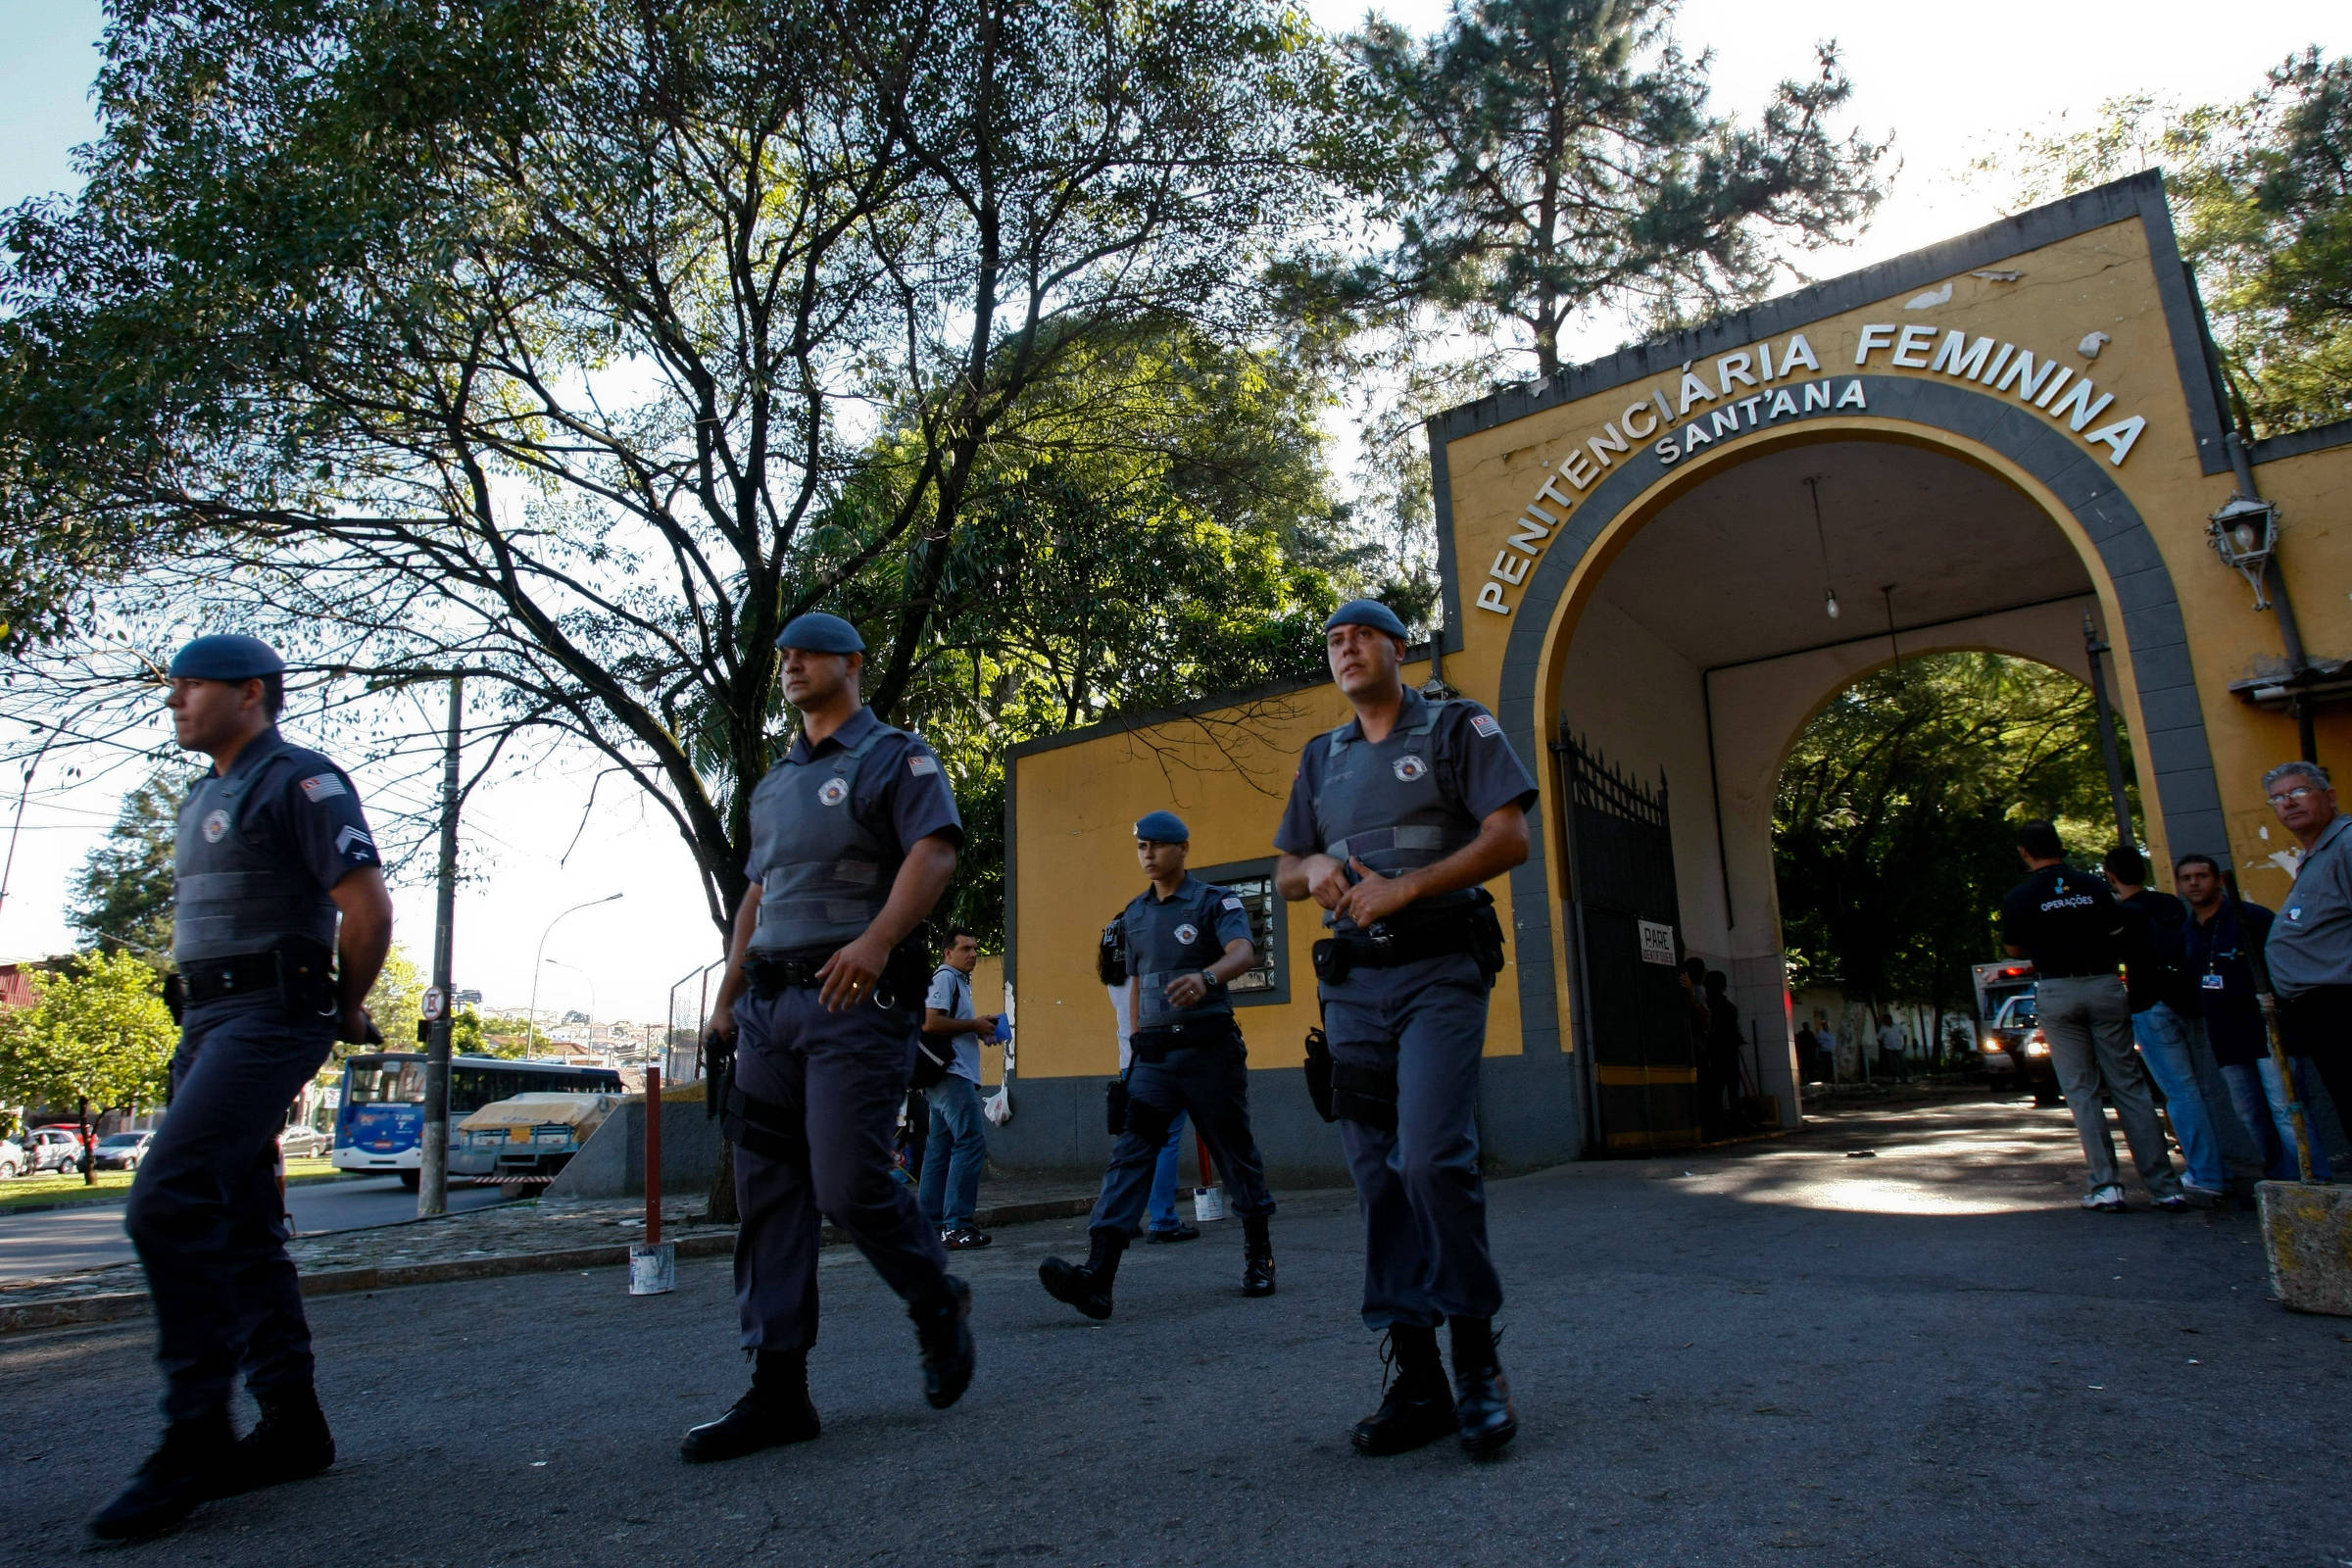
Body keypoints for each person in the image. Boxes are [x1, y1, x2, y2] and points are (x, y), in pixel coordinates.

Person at [93, 636, 394, 1541]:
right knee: (240, 1222)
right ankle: (293, 1426)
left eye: (192, 685)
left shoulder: (298, 780)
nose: (176, 700)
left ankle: (193, 1436)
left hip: (273, 1012)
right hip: (205, 1020)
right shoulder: (204, 794)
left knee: (166, 1202)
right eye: (175, 686)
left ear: (252, 694)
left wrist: (343, 1010)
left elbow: (368, 909)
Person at [687, 612, 975, 1464]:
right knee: (767, 1191)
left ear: (853, 663)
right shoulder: (773, 783)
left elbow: (935, 851)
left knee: (848, 1184)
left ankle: (935, 1299)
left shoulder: (896, 755)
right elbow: (756, 896)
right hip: (769, 1010)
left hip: (855, 998)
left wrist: (880, 939)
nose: (791, 665)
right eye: (783, 655)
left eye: (809, 652)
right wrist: (727, 995)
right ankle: (779, 1390)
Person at [1274, 599, 1539, 1459]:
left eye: (1362, 636)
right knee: (1374, 1176)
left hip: (1439, 971)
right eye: (1335, 641)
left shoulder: (1458, 727)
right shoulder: (1323, 756)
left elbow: (1510, 840)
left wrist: (1407, 888)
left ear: (1397, 646)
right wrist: (1311, 864)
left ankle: (1475, 1360)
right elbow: (1284, 870)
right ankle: (1418, 1373)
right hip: (1354, 987)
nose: (1346, 649)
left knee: (1429, 1157)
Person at [1039, 811, 1276, 1318]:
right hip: (1154, 1059)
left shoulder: (1216, 902)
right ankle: (1097, 1277)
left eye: (1157, 846)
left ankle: (1260, 1255)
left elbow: (1244, 951)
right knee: (1130, 1154)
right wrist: (1133, 1049)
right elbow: (1136, 988)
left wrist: (1208, 978)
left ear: (1183, 849)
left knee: (1235, 1151)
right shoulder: (1134, 915)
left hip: (1209, 1051)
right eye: (1141, 846)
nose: (1148, 855)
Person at [2000, 819, 2186, 1212]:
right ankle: (2164, 1186)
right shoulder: (2095, 886)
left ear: (2024, 853)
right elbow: (2118, 930)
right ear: (2061, 846)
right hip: (2104, 985)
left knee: (2081, 1091)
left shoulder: (2020, 897)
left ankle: (2106, 1186)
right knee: (2129, 1086)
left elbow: (2015, 949)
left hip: (2058, 989)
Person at [2176, 854, 2331, 1180]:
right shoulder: (2188, 931)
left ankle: (2314, 1181)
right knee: (2250, 1114)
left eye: (2201, 875)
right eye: (2187, 877)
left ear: (2218, 880)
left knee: (2287, 1109)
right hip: (2227, 1038)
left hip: (2272, 1031)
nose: (2194, 883)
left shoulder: (2252, 919)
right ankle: (2280, 1181)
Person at [2103, 845, 2226, 1200]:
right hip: (2190, 1000)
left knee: (2181, 1091)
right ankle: (2225, 1165)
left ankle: (2207, 1173)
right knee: (2207, 1087)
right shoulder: (2172, 904)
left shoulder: (2122, 914)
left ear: (2112, 876)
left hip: (2150, 1004)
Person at [2263, 762, 2352, 1147]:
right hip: (2321, 1011)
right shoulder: (2317, 853)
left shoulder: (2346, 845)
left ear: (2329, 797)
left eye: (2299, 792)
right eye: (2279, 798)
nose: (2288, 803)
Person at [920, 927, 1001, 1249]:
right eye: (965, 948)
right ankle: (957, 1225)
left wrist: (979, 1028)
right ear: (948, 952)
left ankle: (931, 1227)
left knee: (939, 1151)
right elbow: (931, 1022)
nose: (973, 954)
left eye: (976, 949)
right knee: (970, 1143)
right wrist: (973, 1025)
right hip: (952, 1075)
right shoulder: (946, 978)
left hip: (945, 1076)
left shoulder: (957, 982)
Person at [1106, 978, 1200, 1243]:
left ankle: (1125, 1217)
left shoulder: (1114, 963)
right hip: (1157, 1059)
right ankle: (1163, 1219)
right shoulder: (1147, 966)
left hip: (1129, 1061)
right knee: (1166, 1141)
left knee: (1135, 1144)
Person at [1794, 1019, 1821, 1084]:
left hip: (1805, 1054)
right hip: (1809, 1054)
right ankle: (1809, 1079)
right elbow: (1815, 1043)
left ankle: (1805, 1079)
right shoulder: (1810, 1034)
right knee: (1809, 1068)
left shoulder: (1801, 1034)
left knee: (1805, 1067)